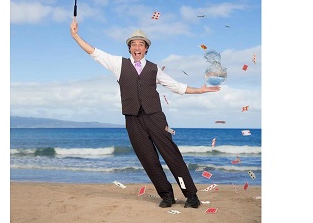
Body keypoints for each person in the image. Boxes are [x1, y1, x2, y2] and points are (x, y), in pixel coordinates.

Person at [70, 19, 221, 208]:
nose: (137, 47)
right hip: (133, 119)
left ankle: (191, 196)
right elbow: (95, 53)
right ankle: (167, 196)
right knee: (148, 160)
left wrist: (199, 90)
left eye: (141, 44)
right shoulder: (118, 64)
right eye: (133, 44)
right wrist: (75, 36)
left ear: (146, 48)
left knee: (171, 155)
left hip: (155, 117)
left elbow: (176, 86)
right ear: (129, 48)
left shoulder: (154, 68)